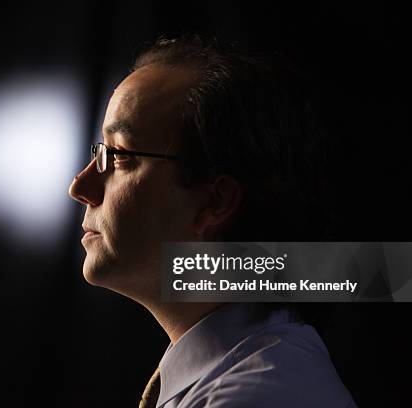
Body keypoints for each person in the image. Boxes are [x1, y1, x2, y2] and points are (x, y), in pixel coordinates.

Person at [68, 36, 356, 408]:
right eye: (99, 153)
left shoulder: (258, 396)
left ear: (215, 202)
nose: (80, 186)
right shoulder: (237, 375)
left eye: (119, 156)